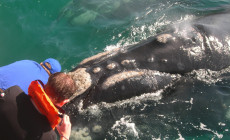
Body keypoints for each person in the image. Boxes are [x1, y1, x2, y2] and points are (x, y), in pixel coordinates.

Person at [0, 72, 77, 140]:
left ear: (46, 84)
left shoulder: (13, 92)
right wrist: (64, 136)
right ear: (63, 102)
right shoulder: (48, 136)